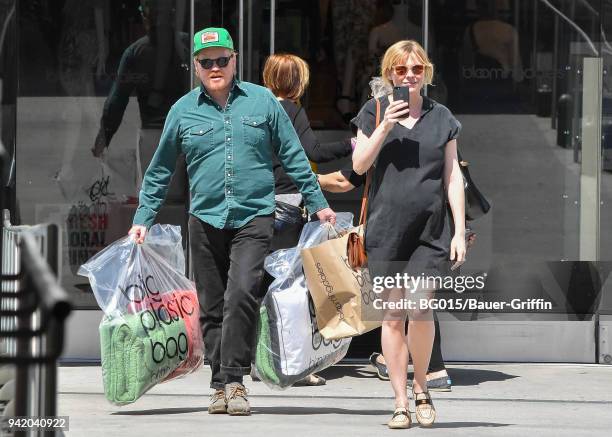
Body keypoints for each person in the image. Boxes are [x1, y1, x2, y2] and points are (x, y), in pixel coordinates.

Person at [128, 27, 336, 416]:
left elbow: (294, 156)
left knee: (241, 294)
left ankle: (236, 380)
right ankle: (218, 382)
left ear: (235, 59)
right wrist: (144, 217)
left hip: (255, 215)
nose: (215, 67)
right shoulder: (182, 111)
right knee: (210, 303)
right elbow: (159, 171)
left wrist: (318, 202)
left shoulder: (263, 103)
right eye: (207, 62)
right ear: (196, 67)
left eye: (222, 59)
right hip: (204, 218)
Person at [351, 40, 466, 429]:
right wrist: (385, 124)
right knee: (393, 314)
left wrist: (460, 231)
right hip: (387, 231)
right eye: (400, 70)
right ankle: (400, 400)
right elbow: (359, 163)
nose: (409, 76)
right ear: (389, 75)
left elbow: (453, 177)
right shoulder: (374, 111)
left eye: (416, 69)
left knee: (420, 310)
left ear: (426, 73)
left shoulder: (442, 117)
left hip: (430, 231)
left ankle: (422, 386)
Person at [319, 168, 476, 392]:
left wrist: (308, 178)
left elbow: (345, 180)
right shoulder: (432, 135)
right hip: (431, 228)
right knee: (416, 302)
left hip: (403, 230)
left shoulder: (382, 137)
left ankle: (430, 369)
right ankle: (426, 370)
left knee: (413, 303)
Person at [258, 53, 353, 386]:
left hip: (255, 211)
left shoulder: (256, 109)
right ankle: (290, 363)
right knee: (291, 290)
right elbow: (313, 151)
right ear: (299, 82)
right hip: (286, 208)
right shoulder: (291, 110)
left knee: (259, 287)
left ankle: (257, 362)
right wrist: (353, 143)